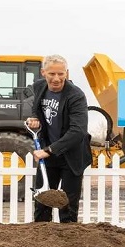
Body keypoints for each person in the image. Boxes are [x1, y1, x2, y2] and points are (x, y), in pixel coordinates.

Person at [26, 54, 92, 223]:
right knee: (42, 203)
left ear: (67, 73)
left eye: (61, 74)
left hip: (71, 155)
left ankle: (69, 246)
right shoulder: (39, 87)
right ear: (43, 73)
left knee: (67, 207)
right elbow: (37, 109)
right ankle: (41, 243)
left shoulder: (76, 95)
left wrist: (49, 150)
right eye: (52, 74)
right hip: (49, 155)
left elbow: (77, 132)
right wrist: (34, 118)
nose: (56, 79)